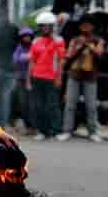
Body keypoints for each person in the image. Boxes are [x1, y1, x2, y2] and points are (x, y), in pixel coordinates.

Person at [57, 15, 104, 143]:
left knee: (91, 106)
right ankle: (67, 130)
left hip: (91, 76)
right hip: (74, 75)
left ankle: (93, 132)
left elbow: (100, 54)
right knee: (70, 104)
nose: (86, 27)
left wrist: (89, 46)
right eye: (83, 25)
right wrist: (79, 47)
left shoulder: (98, 40)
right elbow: (68, 56)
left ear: (93, 27)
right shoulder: (74, 40)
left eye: (88, 25)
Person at [28, 12, 66, 140]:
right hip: (37, 76)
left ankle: (56, 130)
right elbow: (32, 61)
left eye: (47, 26)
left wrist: (59, 77)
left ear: (52, 26)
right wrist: (29, 79)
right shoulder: (36, 41)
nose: (44, 28)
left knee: (53, 104)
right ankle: (41, 131)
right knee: (39, 105)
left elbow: (61, 61)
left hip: (52, 77)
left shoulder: (59, 41)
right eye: (42, 26)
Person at [13, 27, 36, 133]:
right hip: (21, 79)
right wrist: (27, 57)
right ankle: (27, 125)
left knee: (33, 103)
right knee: (23, 103)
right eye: (24, 36)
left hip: (34, 79)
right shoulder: (19, 48)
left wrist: (29, 57)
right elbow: (15, 60)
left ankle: (33, 125)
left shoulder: (35, 46)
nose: (27, 38)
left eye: (28, 36)